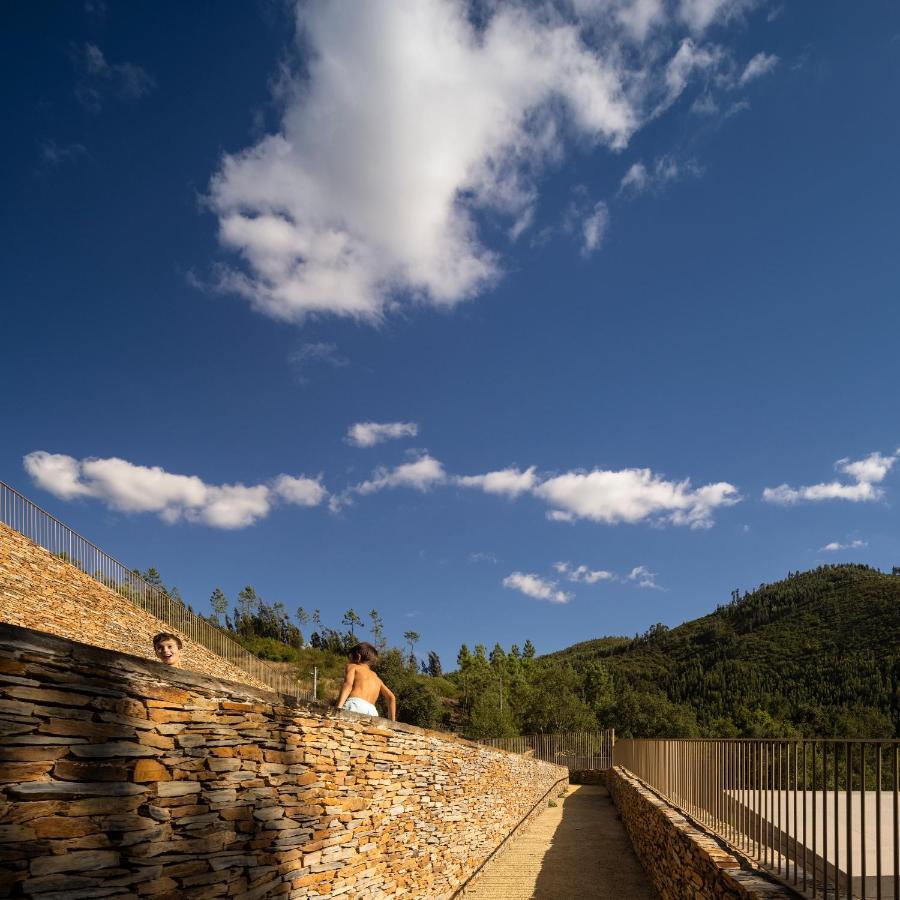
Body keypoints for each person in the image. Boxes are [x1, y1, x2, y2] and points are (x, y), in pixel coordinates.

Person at [336, 642, 396, 720]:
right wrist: (392, 722)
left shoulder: (353, 667)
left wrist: (338, 708)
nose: (350, 662)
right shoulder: (377, 678)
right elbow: (391, 697)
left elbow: (348, 685)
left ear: (358, 657)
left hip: (355, 704)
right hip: (372, 711)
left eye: (350, 659)